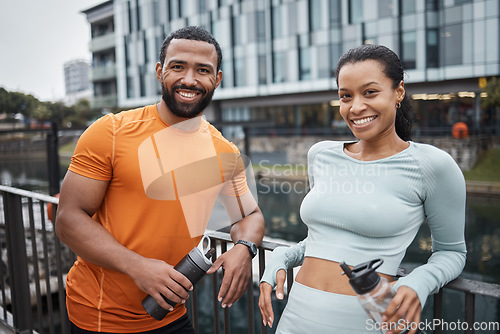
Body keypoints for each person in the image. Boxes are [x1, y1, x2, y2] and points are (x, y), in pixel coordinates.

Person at [55, 26, 265, 333]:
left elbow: (251, 216)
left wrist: (244, 247)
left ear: (217, 79)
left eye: (203, 70)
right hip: (101, 317)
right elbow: (68, 219)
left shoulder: (225, 152)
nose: (189, 79)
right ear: (159, 71)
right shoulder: (110, 132)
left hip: (169, 312)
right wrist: (136, 266)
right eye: (178, 66)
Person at [259, 44, 466, 334]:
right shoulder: (320, 155)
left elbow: (452, 252)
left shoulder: (432, 166)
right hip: (294, 320)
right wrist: (282, 256)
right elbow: (323, 240)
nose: (355, 107)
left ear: (398, 92)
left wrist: (418, 282)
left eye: (370, 92)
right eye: (346, 96)